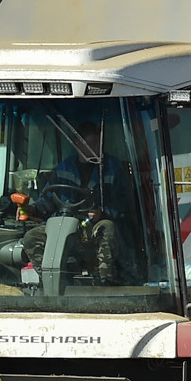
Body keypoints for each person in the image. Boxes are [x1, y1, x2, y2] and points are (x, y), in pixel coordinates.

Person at [20, 117, 128, 285]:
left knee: (107, 228)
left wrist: (103, 212)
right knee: (31, 237)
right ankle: (52, 282)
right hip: (63, 224)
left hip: (93, 225)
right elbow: (48, 200)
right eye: (91, 143)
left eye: (98, 144)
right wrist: (32, 209)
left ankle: (105, 283)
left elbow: (124, 202)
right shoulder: (63, 168)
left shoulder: (113, 168)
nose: (96, 148)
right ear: (78, 143)